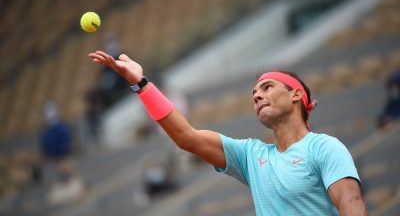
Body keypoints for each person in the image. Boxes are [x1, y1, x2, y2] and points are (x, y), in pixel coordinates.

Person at [88, 51, 367, 215]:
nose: (257, 95)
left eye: (267, 87)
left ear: (296, 94)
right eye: (254, 92)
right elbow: (187, 137)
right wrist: (141, 84)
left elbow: (350, 202)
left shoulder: (325, 148)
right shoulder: (250, 155)